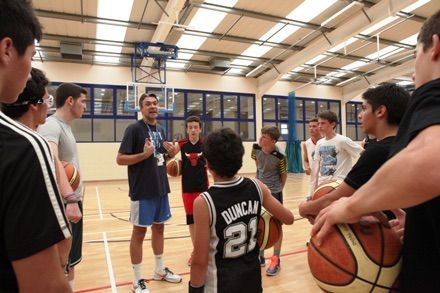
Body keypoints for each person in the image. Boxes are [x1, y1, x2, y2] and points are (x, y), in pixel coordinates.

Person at [311, 10, 440, 292]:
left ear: (435, 47)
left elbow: (430, 164)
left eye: (415, 54)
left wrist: (351, 205)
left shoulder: (434, 93)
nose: (414, 68)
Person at [0, 1, 71, 292]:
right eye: (30, 55)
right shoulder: (23, 147)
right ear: (7, 50)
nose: (30, 73)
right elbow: (46, 286)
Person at [189, 128, 294, 293]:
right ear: (240, 160)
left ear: (207, 164)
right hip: (252, 281)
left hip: (220, 284)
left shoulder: (203, 202)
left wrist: (194, 289)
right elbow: (288, 218)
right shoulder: (258, 187)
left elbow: (199, 260)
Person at [1, 68, 83, 270]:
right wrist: (69, 200)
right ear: (34, 105)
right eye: (47, 101)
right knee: (61, 266)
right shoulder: (33, 143)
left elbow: (53, 160)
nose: (49, 106)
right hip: (49, 218)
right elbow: (52, 158)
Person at [299, 83, 409, 220]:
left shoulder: (376, 152)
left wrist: (304, 208)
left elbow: (337, 200)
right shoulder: (413, 145)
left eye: (364, 109)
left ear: (380, 111)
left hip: (390, 231)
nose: (359, 115)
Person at [117, 93, 182, 293]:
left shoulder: (161, 129)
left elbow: (161, 156)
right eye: (148, 104)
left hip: (161, 187)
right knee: (139, 232)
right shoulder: (134, 130)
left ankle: (159, 270)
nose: (152, 106)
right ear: (141, 108)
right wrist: (143, 155)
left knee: (159, 229)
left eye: (155, 103)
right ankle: (137, 280)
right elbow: (120, 159)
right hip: (142, 190)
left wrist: (171, 153)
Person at [38, 82, 87, 289]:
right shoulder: (51, 125)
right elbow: (52, 159)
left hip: (72, 201)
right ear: (70, 101)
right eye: (83, 101)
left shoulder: (64, 126)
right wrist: (70, 198)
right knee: (61, 259)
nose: (85, 106)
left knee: (70, 259)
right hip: (64, 203)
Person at [251, 126, 287, 276]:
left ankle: (276, 258)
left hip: (274, 193)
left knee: (276, 225)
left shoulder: (280, 156)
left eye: (264, 136)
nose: (260, 138)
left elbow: (283, 176)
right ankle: (260, 255)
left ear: (273, 141)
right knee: (258, 223)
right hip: (259, 191)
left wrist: (276, 190)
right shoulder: (255, 148)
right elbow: (258, 166)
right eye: (261, 135)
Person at [174, 115, 209, 266]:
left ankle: (206, 250)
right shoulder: (181, 144)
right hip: (187, 188)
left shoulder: (206, 144)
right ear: (187, 130)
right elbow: (169, 155)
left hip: (203, 188)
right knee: (192, 222)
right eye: (190, 127)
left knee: (205, 221)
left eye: (196, 127)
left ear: (200, 129)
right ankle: (196, 251)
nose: (193, 130)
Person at [313, 110, 363, 191]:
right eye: (318, 123)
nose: (319, 126)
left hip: (338, 185)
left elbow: (363, 154)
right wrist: (314, 187)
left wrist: (353, 174)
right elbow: (316, 167)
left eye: (323, 123)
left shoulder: (343, 140)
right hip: (321, 184)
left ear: (333, 124)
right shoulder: (319, 143)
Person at [302, 118, 321, 199]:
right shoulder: (306, 144)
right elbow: (306, 159)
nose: (311, 129)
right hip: (312, 182)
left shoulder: (326, 142)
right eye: (309, 126)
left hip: (324, 180)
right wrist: (306, 167)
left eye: (314, 126)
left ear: (319, 127)